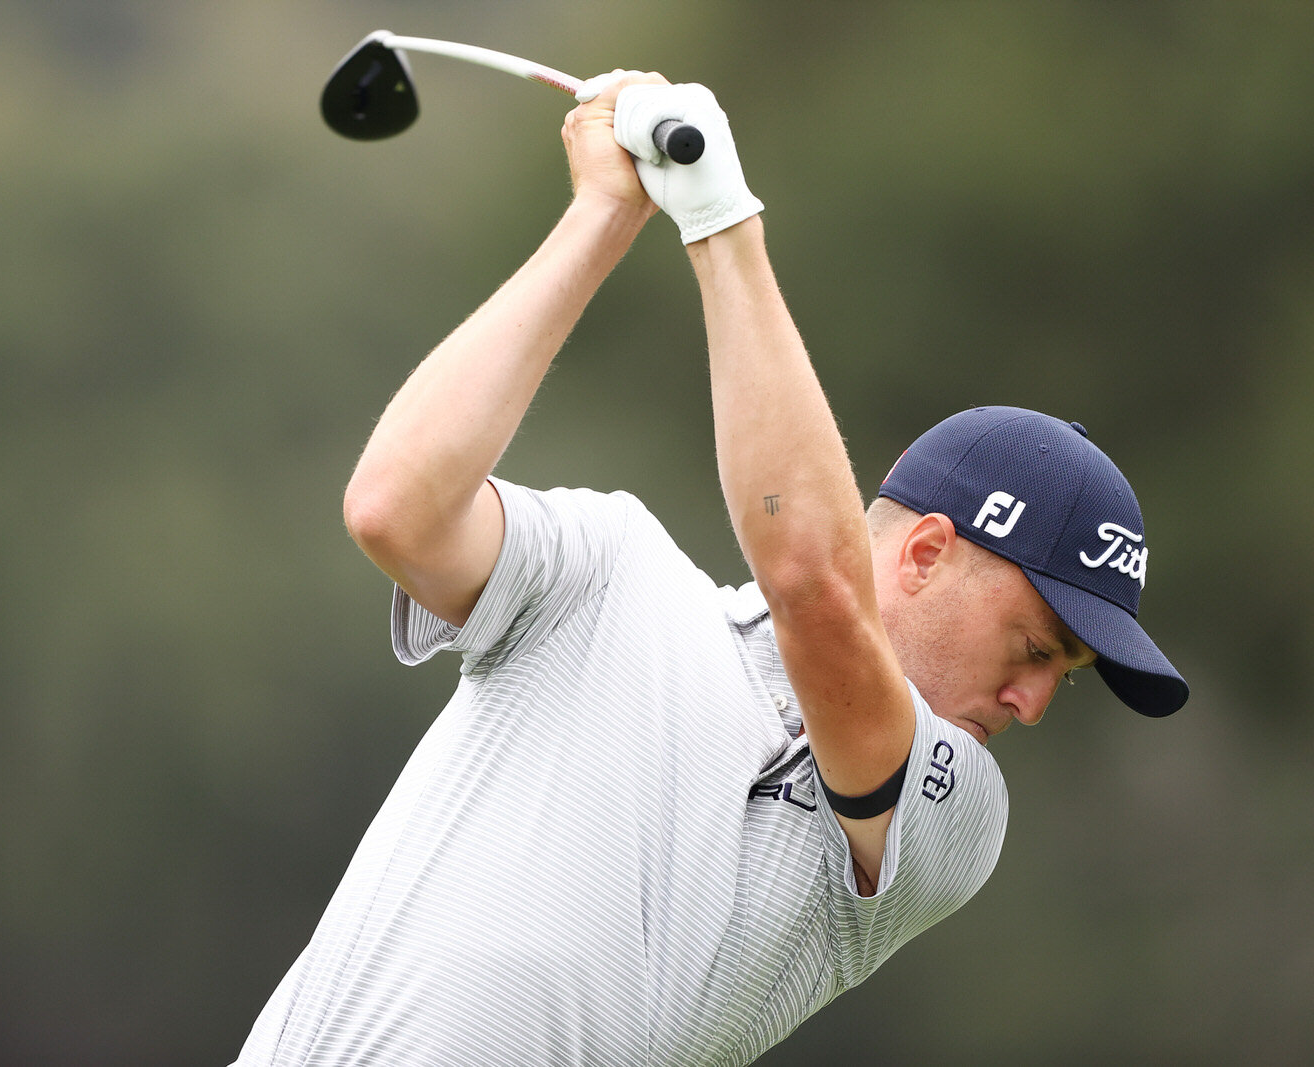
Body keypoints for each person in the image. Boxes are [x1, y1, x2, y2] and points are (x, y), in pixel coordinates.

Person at [234, 72, 1187, 1065]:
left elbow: (813, 587)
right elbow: (396, 509)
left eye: (1060, 676)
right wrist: (603, 214)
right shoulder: (607, 565)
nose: (1031, 702)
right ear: (925, 551)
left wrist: (720, 221)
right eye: (1035, 647)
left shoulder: (955, 819)